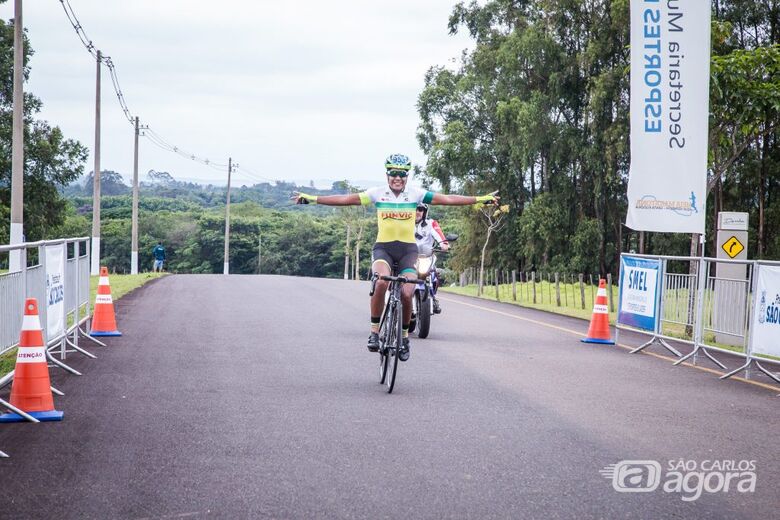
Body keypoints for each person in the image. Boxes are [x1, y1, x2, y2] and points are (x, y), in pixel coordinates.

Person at [293, 153, 498, 362]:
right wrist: (313, 199)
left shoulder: (416, 194)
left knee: (408, 293)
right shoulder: (377, 193)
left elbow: (447, 199)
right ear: (387, 174)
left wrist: (479, 200)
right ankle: (374, 332)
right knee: (381, 282)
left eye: (402, 174)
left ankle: (405, 337)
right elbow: (346, 199)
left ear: (407, 176)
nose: (397, 178)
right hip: (384, 249)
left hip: (409, 251)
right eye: (393, 174)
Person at [414, 203, 448, 314]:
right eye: (415, 209)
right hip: (409, 257)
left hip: (426, 257)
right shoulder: (405, 223)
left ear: (424, 212)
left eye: (420, 209)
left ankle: (433, 297)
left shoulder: (431, 223)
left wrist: (444, 244)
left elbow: (440, 236)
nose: (417, 212)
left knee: (434, 275)